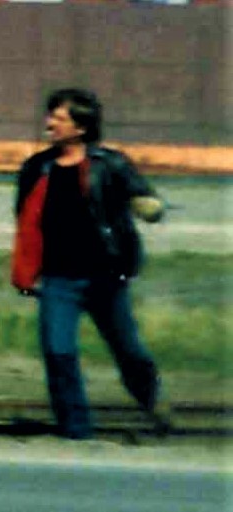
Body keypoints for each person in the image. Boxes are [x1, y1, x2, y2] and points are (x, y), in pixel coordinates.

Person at [9, 87, 166, 440]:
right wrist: (27, 269)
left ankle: (152, 400)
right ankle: (76, 431)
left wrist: (150, 207)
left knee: (129, 351)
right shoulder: (36, 168)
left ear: (81, 127)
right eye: (50, 115)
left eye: (59, 117)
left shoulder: (111, 164)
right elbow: (25, 221)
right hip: (59, 278)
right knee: (58, 350)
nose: (49, 122)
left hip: (106, 277)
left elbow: (145, 197)